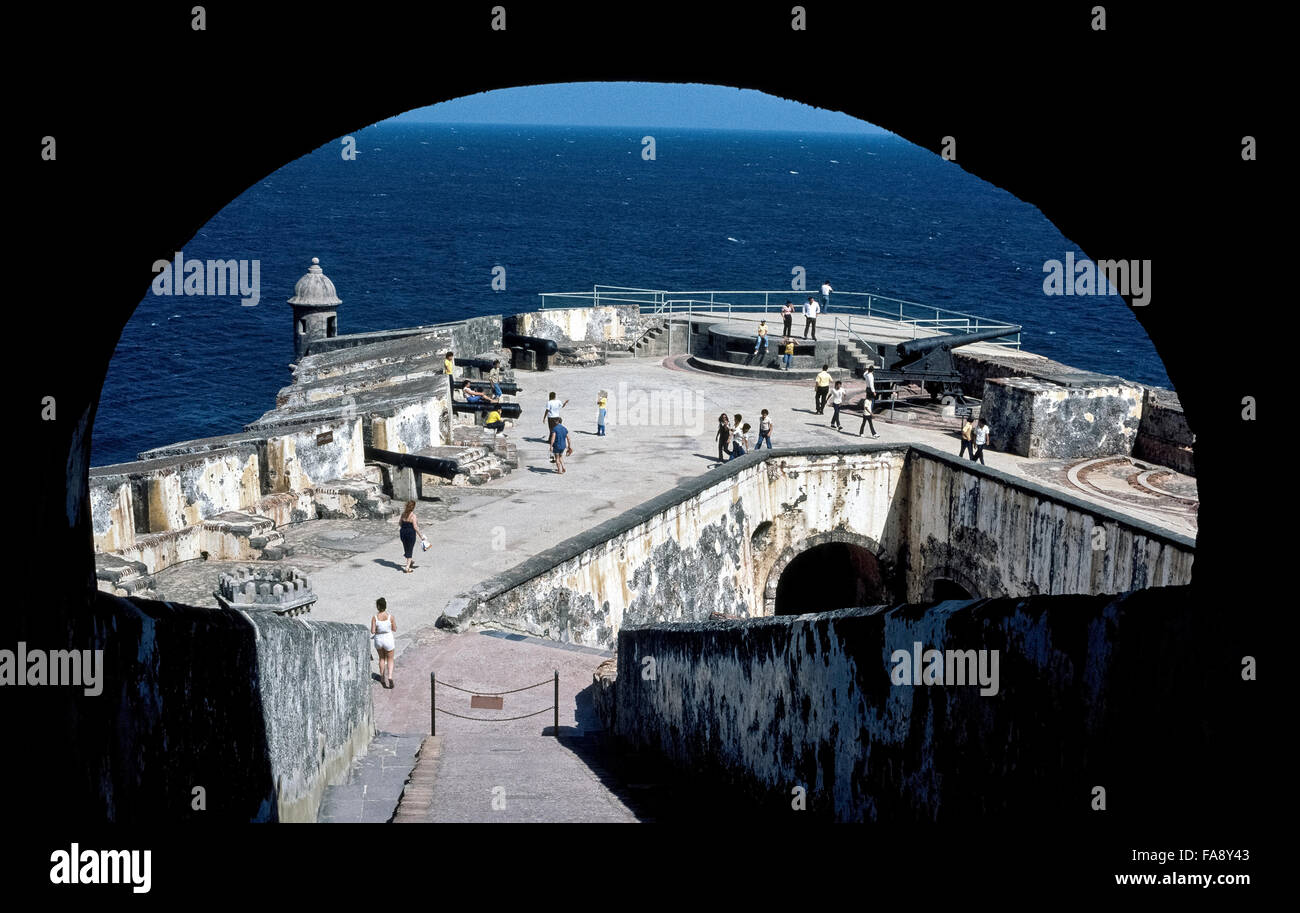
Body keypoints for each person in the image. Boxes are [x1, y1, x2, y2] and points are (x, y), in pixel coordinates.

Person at [371, 597, 397, 689]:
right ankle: (389, 676)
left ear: (378, 607)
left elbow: (373, 631)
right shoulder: (390, 617)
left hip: (379, 640)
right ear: (385, 606)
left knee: (381, 658)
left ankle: (382, 677)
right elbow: (394, 629)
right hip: (388, 639)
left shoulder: (375, 618)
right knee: (390, 659)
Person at [544, 392, 568, 462]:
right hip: (557, 417)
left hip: (551, 417)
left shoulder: (549, 402)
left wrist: (544, 417)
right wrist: (565, 403)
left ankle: (552, 441)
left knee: (552, 430)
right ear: (555, 396)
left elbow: (547, 410)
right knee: (555, 429)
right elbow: (562, 406)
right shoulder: (558, 401)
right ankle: (550, 439)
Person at [398, 500, 421, 574]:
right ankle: (407, 567)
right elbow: (415, 527)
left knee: (406, 547)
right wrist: (421, 536)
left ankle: (410, 561)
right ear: (413, 507)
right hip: (410, 533)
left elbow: (400, 523)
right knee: (410, 549)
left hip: (403, 532)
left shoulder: (403, 514)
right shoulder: (413, 516)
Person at [859, 363, 880, 437]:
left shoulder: (866, 375)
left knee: (864, 421)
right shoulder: (871, 376)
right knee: (871, 401)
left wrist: (866, 370)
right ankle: (870, 411)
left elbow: (864, 374)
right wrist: (874, 391)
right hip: (870, 389)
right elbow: (871, 384)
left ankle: (862, 432)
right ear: (873, 371)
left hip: (867, 389)